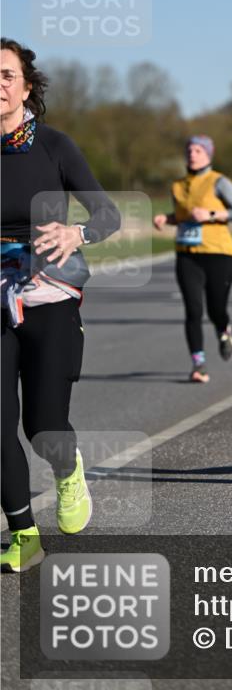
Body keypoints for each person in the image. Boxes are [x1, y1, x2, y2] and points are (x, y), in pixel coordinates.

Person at [1, 39, 121, 572]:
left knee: (43, 424)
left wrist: (76, 233)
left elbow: (107, 215)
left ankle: (68, 470)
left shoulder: (53, 145)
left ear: (27, 87)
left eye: (6, 75)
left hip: (49, 294)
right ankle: (23, 535)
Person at [153, 135, 232, 382]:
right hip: (187, 254)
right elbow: (183, 217)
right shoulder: (177, 185)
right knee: (193, 309)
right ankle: (198, 364)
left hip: (218, 253)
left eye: (198, 150)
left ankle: (223, 330)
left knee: (216, 309)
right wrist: (166, 218)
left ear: (208, 154)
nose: (192, 154)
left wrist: (211, 214)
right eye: (189, 150)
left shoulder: (219, 182)